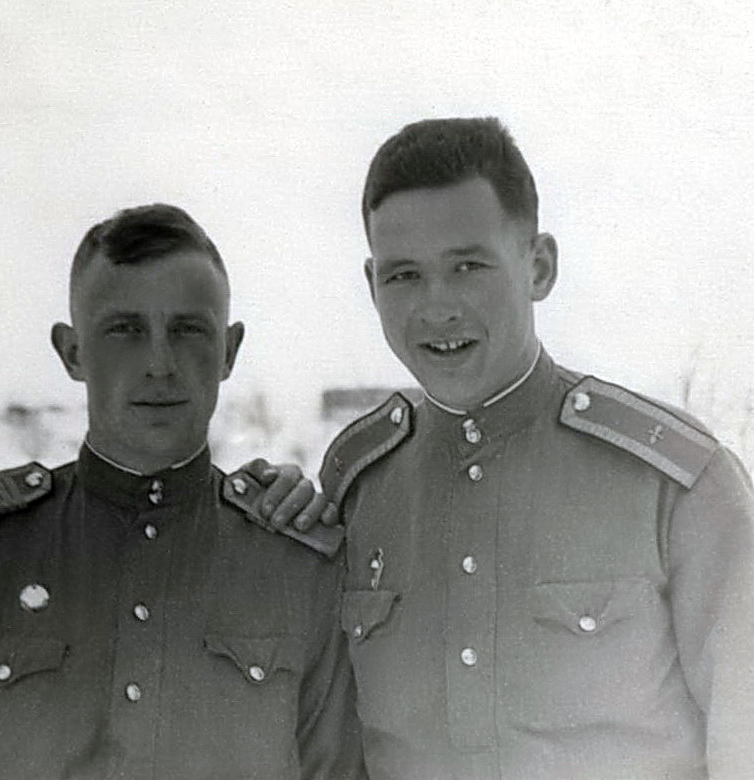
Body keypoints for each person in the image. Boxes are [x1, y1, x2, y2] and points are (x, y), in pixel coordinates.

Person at [0, 203, 360, 780]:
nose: (160, 364)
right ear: (72, 352)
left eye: (188, 330)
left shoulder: (299, 568)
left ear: (229, 351)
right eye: (125, 331)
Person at [317, 117, 754, 779]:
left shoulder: (675, 484)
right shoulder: (356, 488)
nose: (437, 307)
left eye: (468, 266)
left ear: (539, 267)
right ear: (371, 284)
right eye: (404, 275)